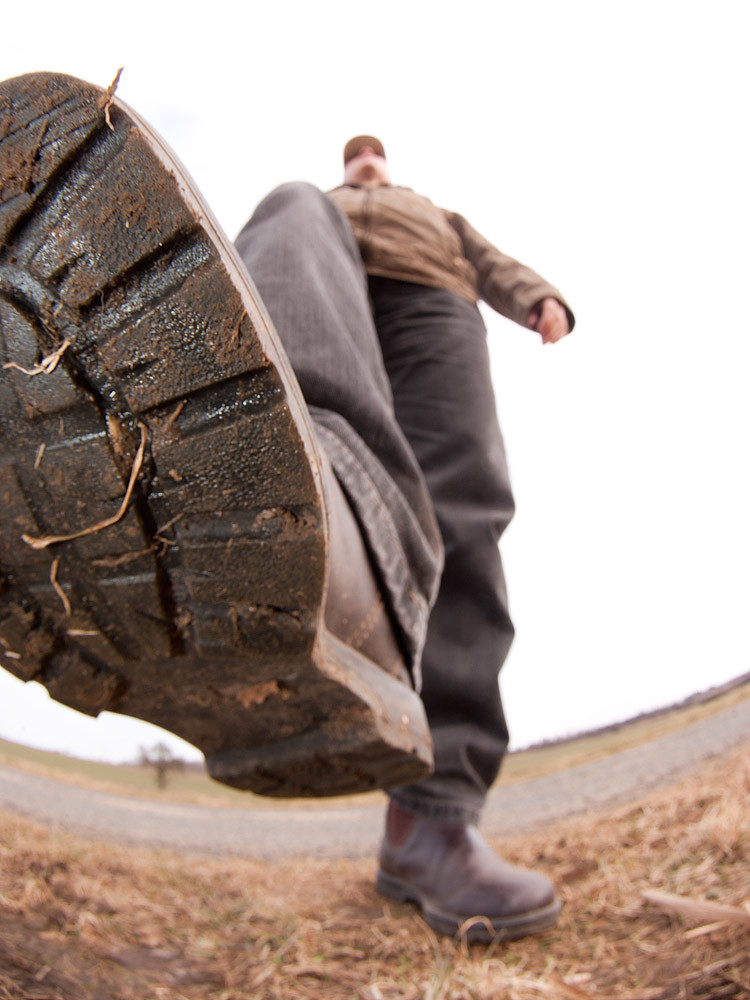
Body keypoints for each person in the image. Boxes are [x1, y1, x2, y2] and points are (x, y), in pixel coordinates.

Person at [0, 75, 572, 943]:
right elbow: (296, 254)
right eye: (357, 158)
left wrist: (532, 296)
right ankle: (261, 481)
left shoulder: (432, 215)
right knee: (293, 207)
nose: (366, 165)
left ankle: (433, 822)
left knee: (465, 515)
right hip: (333, 309)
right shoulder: (332, 205)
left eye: (373, 156)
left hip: (436, 309)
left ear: (390, 166)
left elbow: (490, 258)